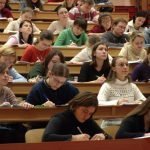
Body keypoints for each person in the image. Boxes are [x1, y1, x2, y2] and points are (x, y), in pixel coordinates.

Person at [42, 91, 112, 141]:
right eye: (84, 111)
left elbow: (109, 138)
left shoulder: (88, 121)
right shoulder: (59, 119)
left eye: (90, 113)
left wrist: (103, 136)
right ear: (74, 106)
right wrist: (73, 138)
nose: (86, 116)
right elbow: (46, 137)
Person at [0, 62, 28, 143]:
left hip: (7, 123)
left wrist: (23, 105)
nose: (6, 75)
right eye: (2, 73)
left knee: (22, 129)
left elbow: (16, 106)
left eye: (7, 73)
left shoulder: (7, 90)